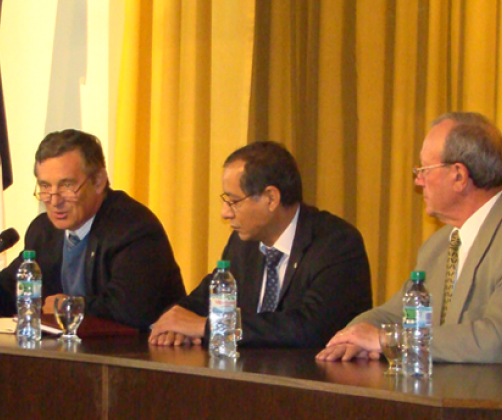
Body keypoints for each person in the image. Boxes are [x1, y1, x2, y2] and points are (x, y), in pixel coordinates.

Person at [317, 112, 502, 369]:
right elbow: (394, 313)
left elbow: (495, 340)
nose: (418, 181)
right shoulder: (439, 245)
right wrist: (351, 336)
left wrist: (385, 340)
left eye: (425, 170)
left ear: (459, 176)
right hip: (452, 397)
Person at [0, 129, 186, 330]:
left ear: (98, 181)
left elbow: (130, 310)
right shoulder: (44, 231)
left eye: (67, 186)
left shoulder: (133, 229)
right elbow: (10, 292)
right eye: (45, 187)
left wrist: (66, 307)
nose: (54, 199)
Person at [149, 141, 372, 348]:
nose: (225, 213)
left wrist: (209, 327)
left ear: (271, 198)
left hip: (315, 383)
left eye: (234, 201)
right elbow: (208, 297)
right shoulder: (244, 242)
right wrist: (175, 321)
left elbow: (310, 328)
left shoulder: (336, 243)